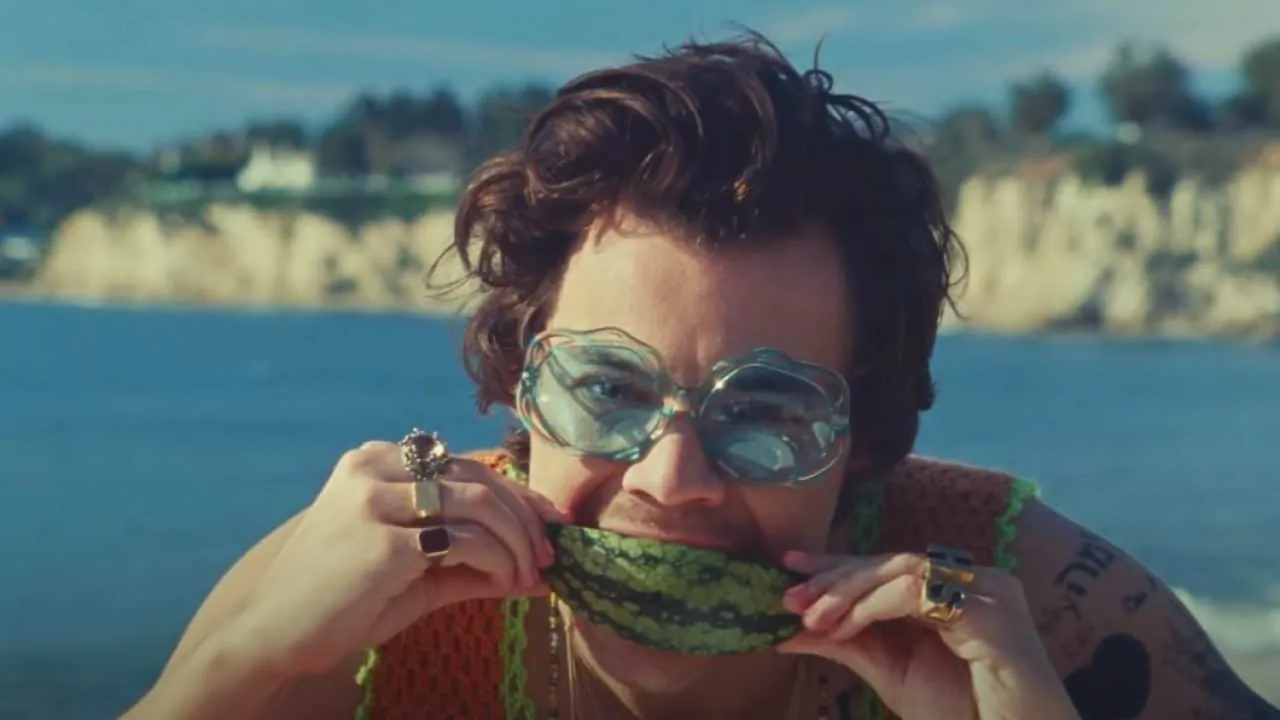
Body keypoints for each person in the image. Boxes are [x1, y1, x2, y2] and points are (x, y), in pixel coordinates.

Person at [123, 33, 1277, 720]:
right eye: (605, 389)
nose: (671, 480)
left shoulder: (1023, 603)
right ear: (521, 385)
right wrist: (240, 666)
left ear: (866, 437)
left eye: (766, 410)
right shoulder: (355, 613)